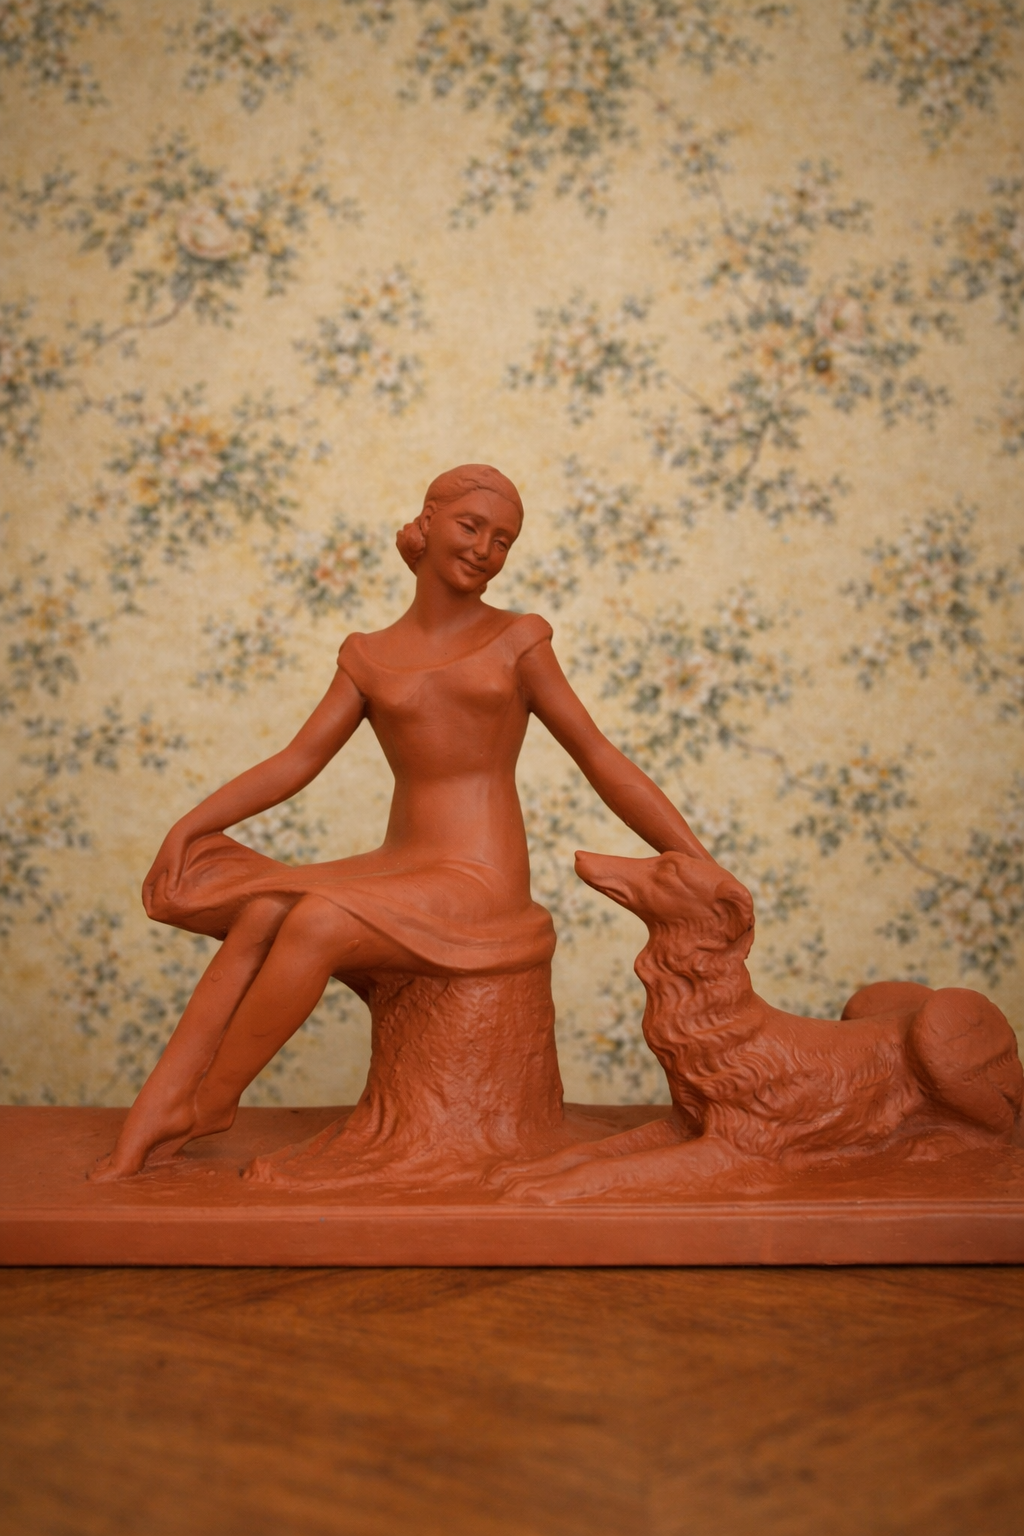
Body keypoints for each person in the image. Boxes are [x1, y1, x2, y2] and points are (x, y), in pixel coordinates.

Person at [92, 464, 710, 1179]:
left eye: (503, 540)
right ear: (429, 520)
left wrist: (690, 855)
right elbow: (297, 760)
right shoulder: (368, 654)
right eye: (471, 526)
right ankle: (167, 1107)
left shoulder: (519, 639)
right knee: (263, 911)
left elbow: (598, 754)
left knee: (317, 921)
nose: (484, 549)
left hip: (479, 874)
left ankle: (211, 1102)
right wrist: (189, 827)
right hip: (401, 861)